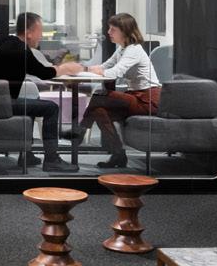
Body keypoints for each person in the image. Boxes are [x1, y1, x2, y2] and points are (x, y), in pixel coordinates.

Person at [65, 12, 161, 170]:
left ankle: (80, 129)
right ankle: (118, 154)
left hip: (147, 100)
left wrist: (90, 71)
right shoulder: (122, 49)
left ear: (125, 31)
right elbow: (105, 67)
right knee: (99, 111)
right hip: (134, 97)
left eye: (113, 29)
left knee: (99, 94)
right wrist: (81, 69)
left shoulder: (134, 50)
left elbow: (114, 73)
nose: (108, 32)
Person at [0, 12, 72, 172]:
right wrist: (65, 68)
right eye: (40, 31)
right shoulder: (21, 50)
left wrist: (56, 68)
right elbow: (43, 73)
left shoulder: (9, 42)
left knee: (31, 105)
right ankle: (52, 160)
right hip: (1, 104)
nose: (41, 36)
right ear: (28, 33)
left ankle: (27, 154)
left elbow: (37, 68)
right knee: (51, 108)